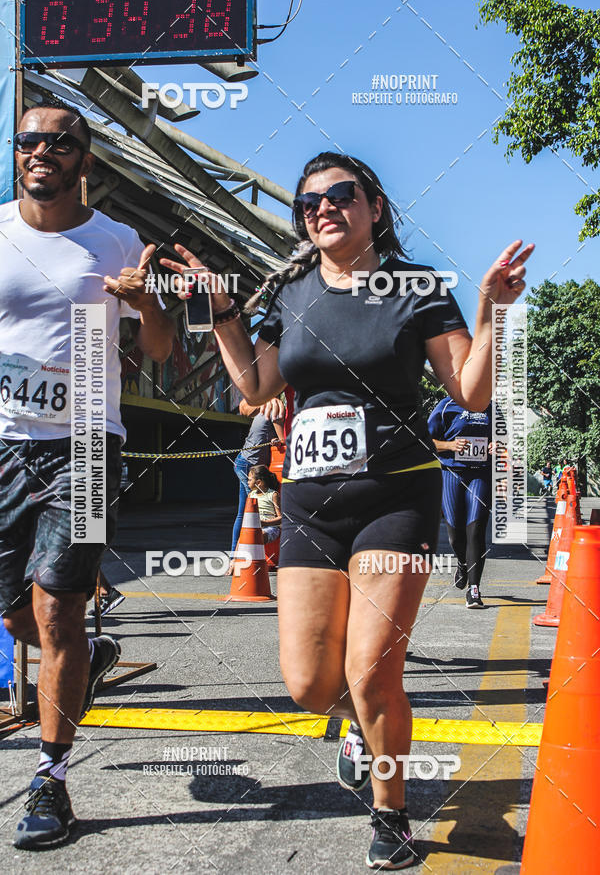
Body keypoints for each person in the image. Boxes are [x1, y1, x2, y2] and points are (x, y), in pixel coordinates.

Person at [162, 150, 532, 869]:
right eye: (309, 203)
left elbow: (472, 392)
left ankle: (389, 813)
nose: (323, 209)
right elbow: (254, 386)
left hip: (397, 496)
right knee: (310, 685)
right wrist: (223, 308)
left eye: (340, 195)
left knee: (371, 672)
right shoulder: (293, 293)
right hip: (310, 505)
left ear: (374, 207)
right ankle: (358, 730)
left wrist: (492, 310)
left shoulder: (415, 288)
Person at [0, 98, 174, 849]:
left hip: (88, 447)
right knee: (17, 617)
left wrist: (145, 304)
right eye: (28, 140)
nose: (41, 151)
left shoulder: (117, 241)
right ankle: (93, 660)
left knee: (59, 614)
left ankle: (52, 778)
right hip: (3, 444)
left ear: (85, 160)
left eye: (58, 142)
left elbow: (162, 349)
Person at [427, 397, 494, 607]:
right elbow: (424, 441)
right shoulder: (446, 406)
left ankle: (474, 590)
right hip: (451, 473)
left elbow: (508, 439)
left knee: (476, 529)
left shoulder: (492, 408)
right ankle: (463, 563)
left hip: (480, 474)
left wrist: (498, 446)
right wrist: (450, 445)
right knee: (455, 535)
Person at [228, 398, 284, 573]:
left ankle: (235, 557)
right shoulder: (275, 405)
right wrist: (280, 439)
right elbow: (284, 440)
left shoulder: (266, 404)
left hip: (244, 462)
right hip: (249, 466)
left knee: (243, 512)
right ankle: (240, 558)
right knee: (250, 512)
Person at [247, 465, 282, 543]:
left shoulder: (272, 495)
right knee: (242, 539)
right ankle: (237, 555)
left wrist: (265, 523)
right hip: (254, 528)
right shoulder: (251, 495)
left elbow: (281, 518)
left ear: (258, 482)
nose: (247, 482)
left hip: (271, 528)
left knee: (258, 536)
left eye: (249, 480)